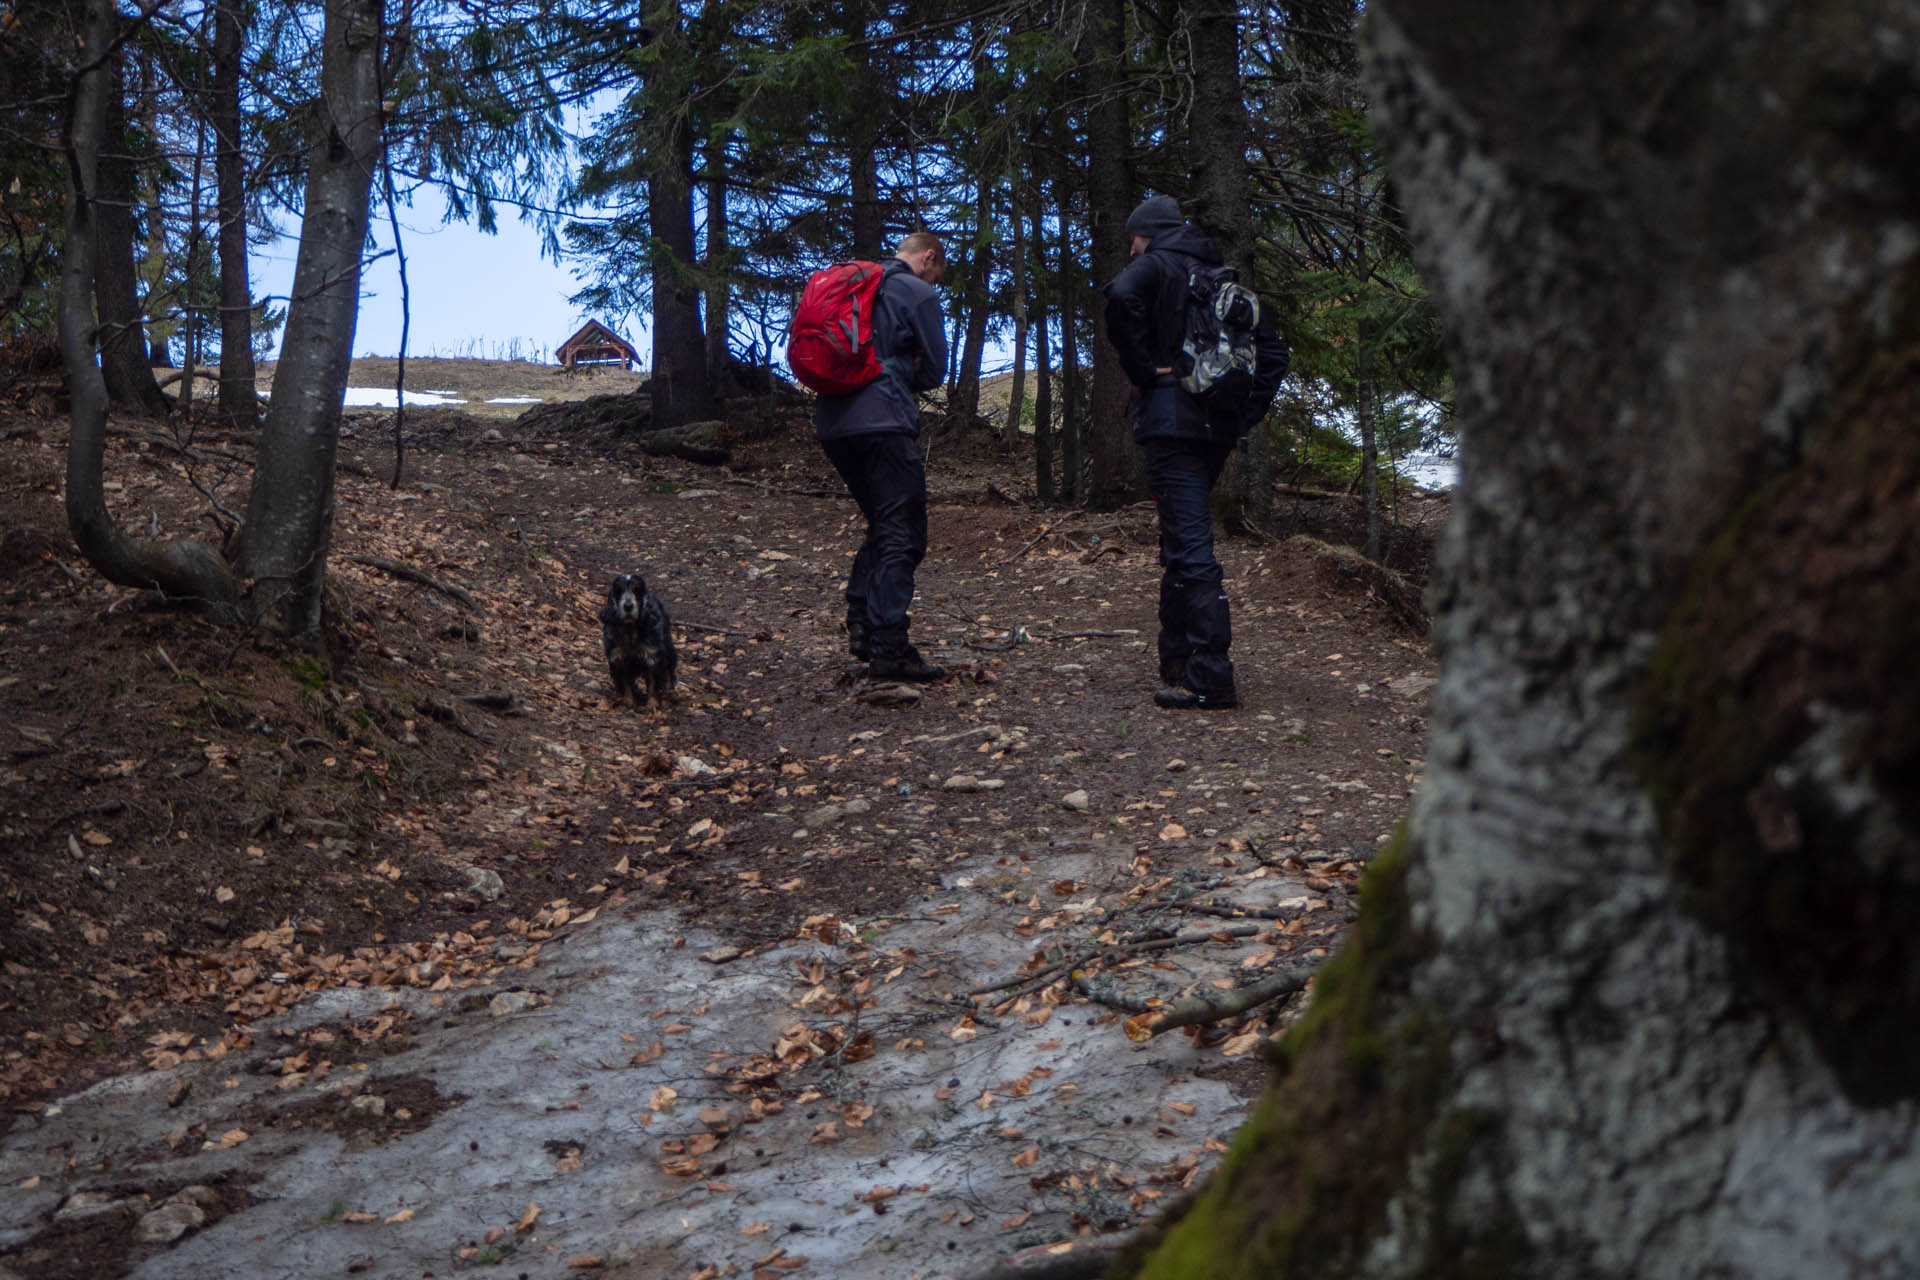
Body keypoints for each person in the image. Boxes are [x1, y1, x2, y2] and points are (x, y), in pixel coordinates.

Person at [1102, 194, 1288, 710]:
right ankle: (1179, 662)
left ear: (1150, 233)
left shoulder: (1157, 266)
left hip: (1171, 428)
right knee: (1180, 545)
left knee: (1192, 550)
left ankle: (1211, 677)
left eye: (1134, 238)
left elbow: (1118, 296)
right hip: (1214, 431)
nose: (1132, 248)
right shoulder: (1219, 279)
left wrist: (1142, 374)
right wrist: (1242, 415)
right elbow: (1273, 354)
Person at [815, 230, 950, 683]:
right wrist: (907, 364)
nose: (936, 281)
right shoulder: (917, 291)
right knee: (902, 533)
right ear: (929, 258)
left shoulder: (856, 285)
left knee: (885, 524)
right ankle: (889, 647)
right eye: (938, 272)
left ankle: (862, 622)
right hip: (883, 421)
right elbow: (933, 370)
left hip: (834, 424)